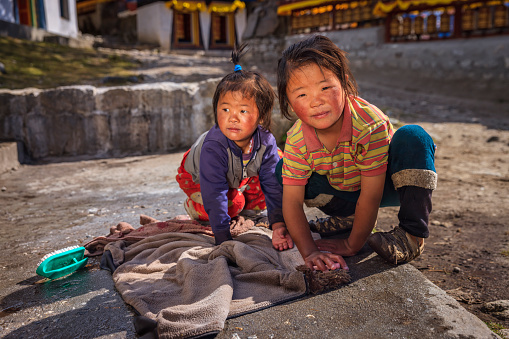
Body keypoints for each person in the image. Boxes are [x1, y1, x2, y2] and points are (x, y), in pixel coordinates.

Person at [276, 35, 437, 271]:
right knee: (282, 172)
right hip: (347, 189)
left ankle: (412, 236)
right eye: (301, 94)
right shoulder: (297, 140)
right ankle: (347, 217)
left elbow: (371, 196)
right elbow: (291, 201)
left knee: (414, 137)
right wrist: (310, 252)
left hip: (387, 185)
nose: (316, 101)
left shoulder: (368, 124)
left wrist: (352, 245)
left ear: (344, 83)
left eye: (325, 87)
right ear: (288, 102)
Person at [176, 43, 293, 250]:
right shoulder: (214, 146)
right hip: (197, 178)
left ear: (261, 115)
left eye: (243, 111)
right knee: (231, 203)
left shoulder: (266, 142)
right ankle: (194, 206)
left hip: (238, 172)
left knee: (277, 166)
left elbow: (273, 186)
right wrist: (223, 239)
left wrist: (279, 225)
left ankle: (238, 199)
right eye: (226, 109)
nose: (233, 118)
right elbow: (215, 192)